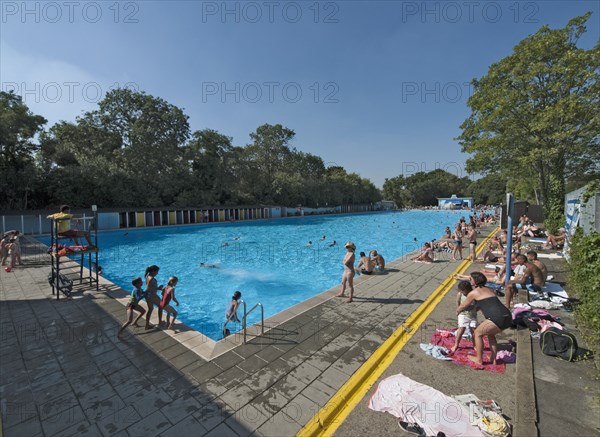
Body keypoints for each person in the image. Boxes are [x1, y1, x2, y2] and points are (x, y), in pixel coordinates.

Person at [455, 272, 513, 365]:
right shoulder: (490, 289)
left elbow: (463, 306)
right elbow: (484, 305)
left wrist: (458, 311)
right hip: (507, 316)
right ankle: (493, 359)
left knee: (477, 333)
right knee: (491, 335)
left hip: (496, 318)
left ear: (475, 281)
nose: (469, 280)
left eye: (471, 279)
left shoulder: (474, 293)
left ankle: (478, 359)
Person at [450, 281, 478, 354]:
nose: (461, 291)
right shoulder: (460, 294)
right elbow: (458, 302)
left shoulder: (473, 294)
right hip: (463, 314)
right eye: (460, 290)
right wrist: (458, 310)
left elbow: (478, 304)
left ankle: (475, 345)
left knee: (474, 331)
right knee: (461, 330)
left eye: (463, 290)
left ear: (468, 289)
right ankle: (456, 345)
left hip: (472, 315)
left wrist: (476, 310)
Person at [144, 265, 164, 330]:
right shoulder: (151, 279)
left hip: (148, 296)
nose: (157, 273)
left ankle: (147, 325)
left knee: (150, 309)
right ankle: (160, 322)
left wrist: (158, 288)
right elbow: (148, 288)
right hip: (152, 296)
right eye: (156, 272)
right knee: (161, 306)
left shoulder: (148, 277)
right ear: (153, 271)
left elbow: (151, 288)